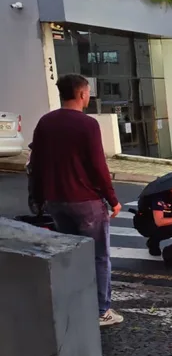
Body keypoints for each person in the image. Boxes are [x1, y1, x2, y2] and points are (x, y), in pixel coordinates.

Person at [29, 74, 124, 327]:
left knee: (71, 255)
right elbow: (98, 166)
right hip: (86, 201)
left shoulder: (45, 122)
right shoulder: (87, 124)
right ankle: (101, 310)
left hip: (56, 201)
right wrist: (112, 199)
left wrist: (38, 197)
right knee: (99, 256)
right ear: (82, 94)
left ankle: (76, 302)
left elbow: (35, 163)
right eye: (88, 91)